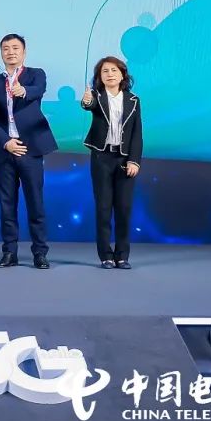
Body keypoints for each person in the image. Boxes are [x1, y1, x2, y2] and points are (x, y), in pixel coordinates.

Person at [0, 34, 57, 269]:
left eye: (15, 48)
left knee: (35, 203)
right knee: (6, 205)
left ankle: (40, 253)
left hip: (30, 149)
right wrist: (5, 141)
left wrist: (23, 90)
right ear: (1, 53)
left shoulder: (35, 74)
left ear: (24, 52)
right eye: (6, 48)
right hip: (5, 150)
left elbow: (38, 89)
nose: (11, 52)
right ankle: (9, 252)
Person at [81, 56, 143, 269]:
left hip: (125, 160)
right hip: (101, 158)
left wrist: (134, 161)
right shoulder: (96, 96)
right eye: (105, 71)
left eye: (114, 70)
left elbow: (137, 133)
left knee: (124, 208)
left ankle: (122, 255)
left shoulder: (133, 100)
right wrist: (87, 100)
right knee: (104, 208)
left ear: (122, 74)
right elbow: (88, 105)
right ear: (99, 76)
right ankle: (106, 255)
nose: (110, 74)